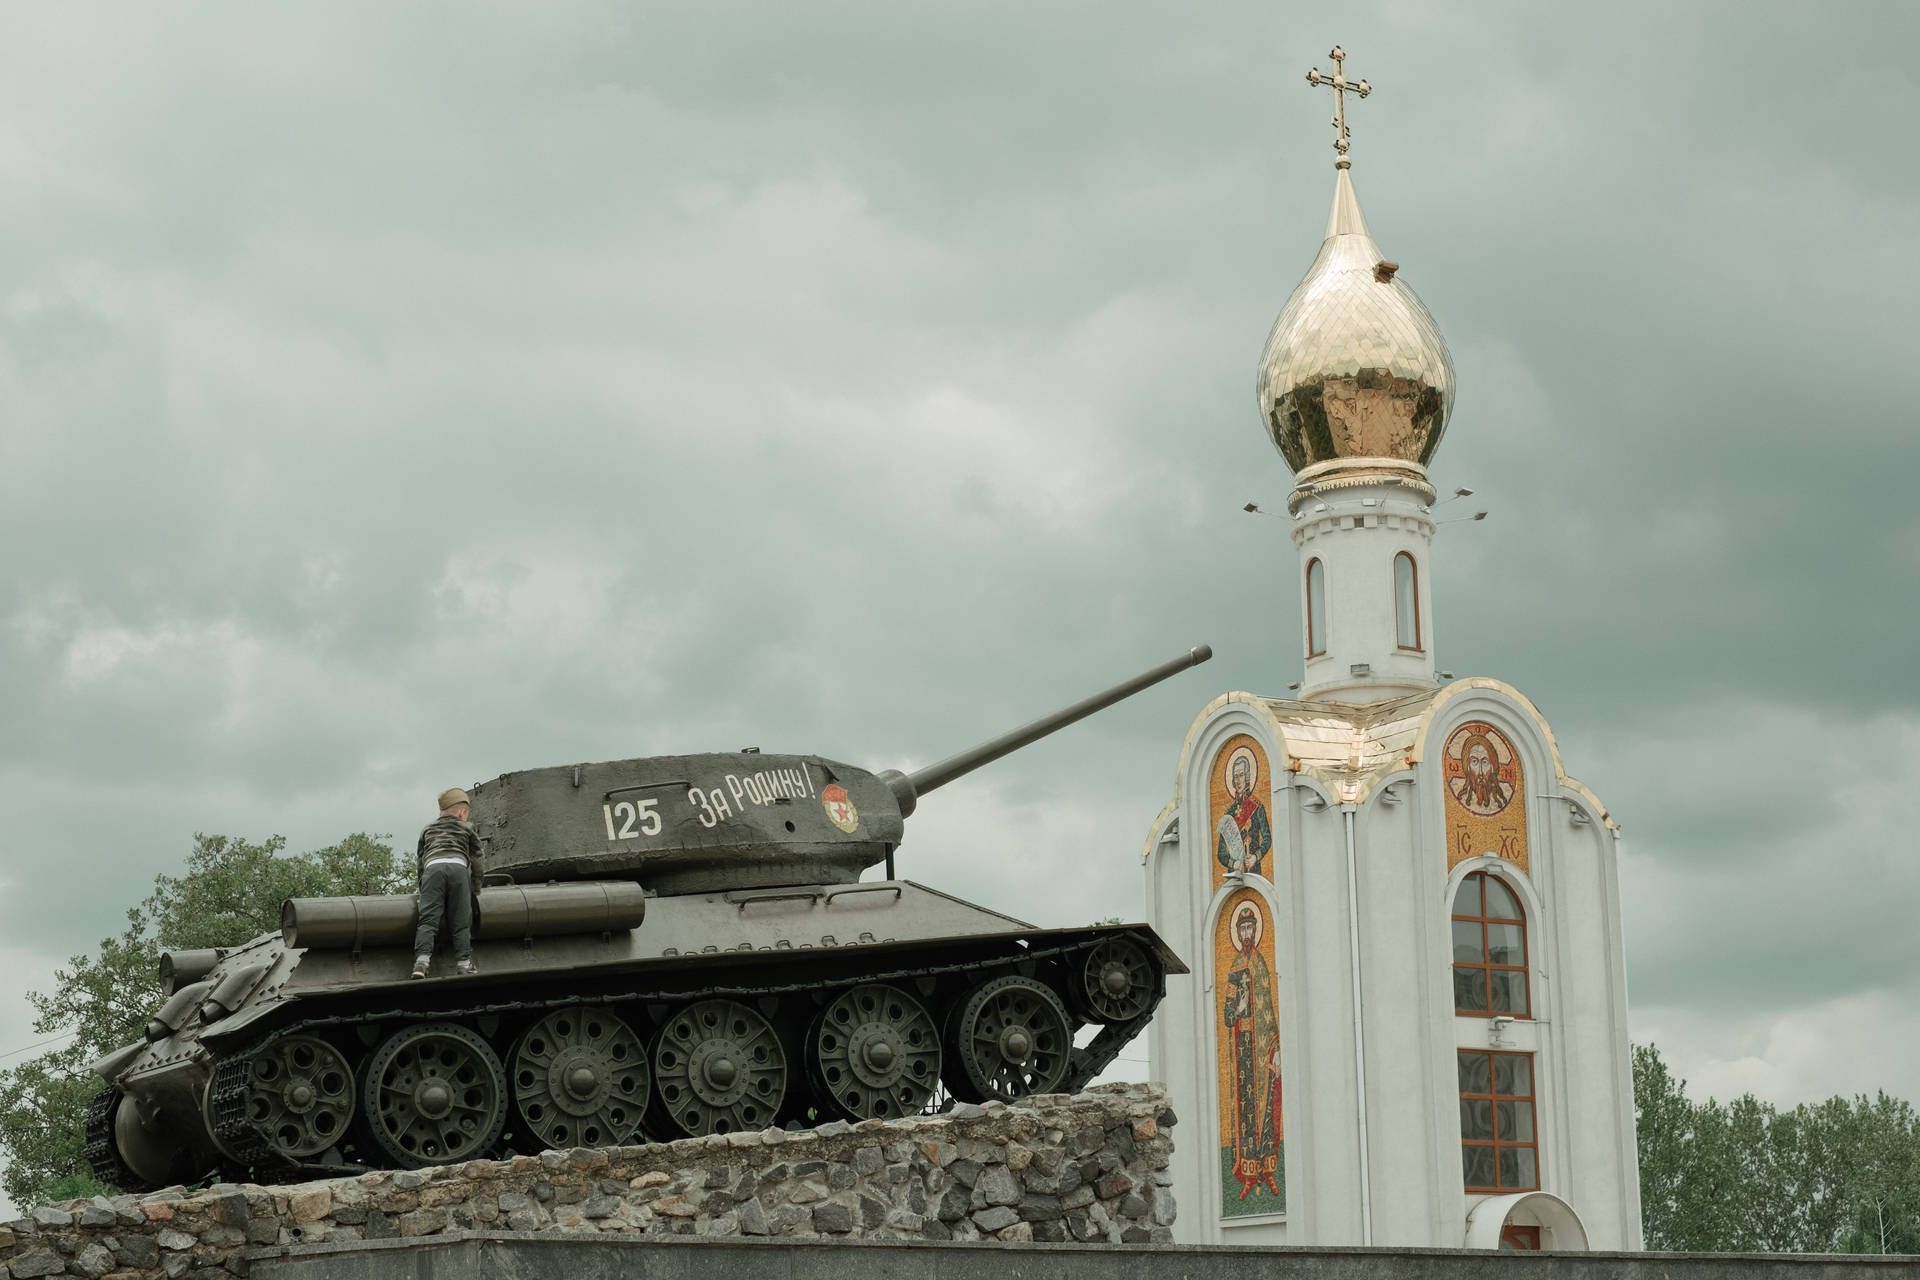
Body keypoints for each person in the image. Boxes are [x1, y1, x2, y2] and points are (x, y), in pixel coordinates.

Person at [414, 787, 483, 978]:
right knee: (461, 921)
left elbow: (420, 859)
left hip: (432, 869)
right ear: (462, 812)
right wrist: (476, 885)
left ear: (441, 812)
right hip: (458, 869)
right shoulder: (466, 827)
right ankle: (464, 964)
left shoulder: (427, 829)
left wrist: (423, 885)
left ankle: (421, 963)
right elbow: (477, 857)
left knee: (427, 920)